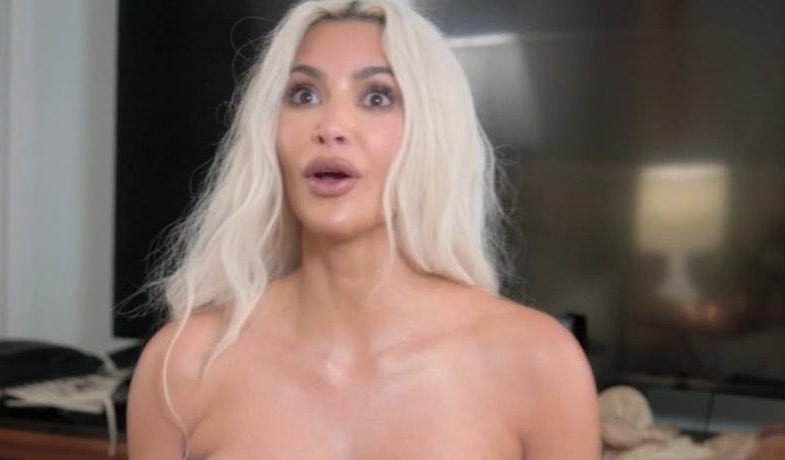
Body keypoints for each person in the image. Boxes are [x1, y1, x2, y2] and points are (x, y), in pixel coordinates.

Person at [127, 0, 600, 458]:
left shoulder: (538, 364)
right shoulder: (182, 365)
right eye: (304, 95)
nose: (331, 126)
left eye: (377, 97)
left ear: (432, 133)